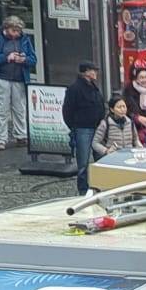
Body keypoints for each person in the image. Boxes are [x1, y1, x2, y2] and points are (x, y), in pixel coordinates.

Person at [0, 16, 36, 149]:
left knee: (20, 109)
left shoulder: (24, 39)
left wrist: (23, 59)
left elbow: (33, 59)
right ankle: (1, 139)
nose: (17, 34)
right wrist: (6, 58)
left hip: (19, 79)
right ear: (7, 29)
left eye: (19, 31)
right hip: (2, 78)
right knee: (1, 109)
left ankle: (21, 136)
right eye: (15, 31)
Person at [62, 63, 104, 193]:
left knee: (101, 159)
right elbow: (67, 110)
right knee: (83, 164)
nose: (95, 73)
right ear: (86, 72)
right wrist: (74, 126)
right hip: (83, 129)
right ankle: (83, 191)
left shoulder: (93, 87)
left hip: (97, 128)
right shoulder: (75, 89)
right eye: (93, 70)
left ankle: (100, 186)